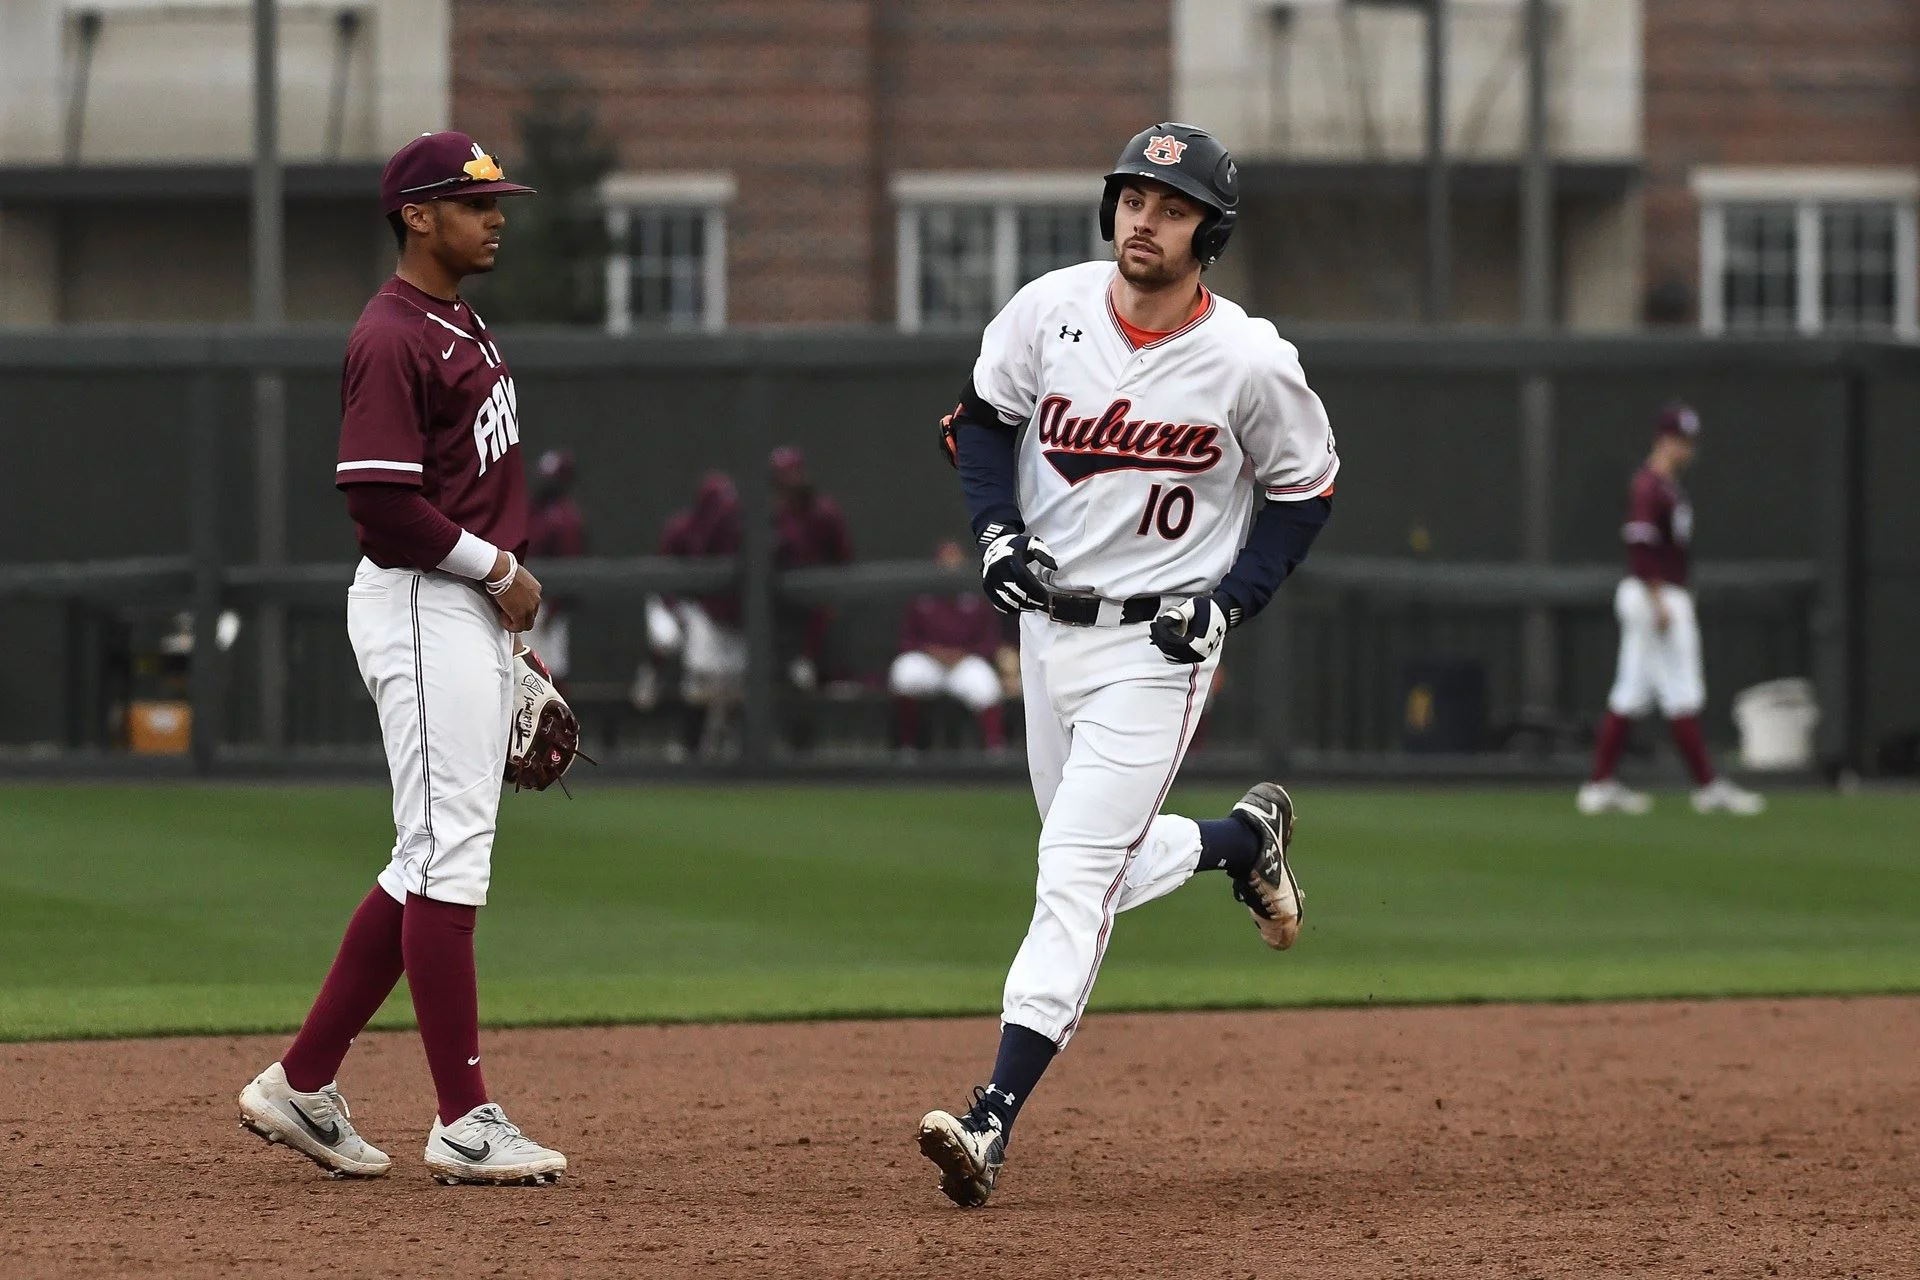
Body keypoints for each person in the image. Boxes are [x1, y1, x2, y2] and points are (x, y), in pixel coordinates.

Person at [917, 123, 1337, 1208]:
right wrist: (996, 533)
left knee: (1071, 876)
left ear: (1211, 232)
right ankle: (1243, 840)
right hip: (1046, 629)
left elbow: (1306, 491)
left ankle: (991, 1117)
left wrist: (1230, 604)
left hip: (1158, 648)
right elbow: (981, 422)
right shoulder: (1050, 309)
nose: (1144, 220)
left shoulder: (1249, 358)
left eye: (1172, 206)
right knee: (1096, 860)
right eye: (1134, 198)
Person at [236, 131, 567, 1186]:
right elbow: (380, 502)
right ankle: (464, 1119)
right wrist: (498, 568)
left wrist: (504, 614)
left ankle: (303, 1080)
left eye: (496, 202)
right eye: (472, 204)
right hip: (424, 600)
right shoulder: (390, 335)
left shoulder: (458, 318)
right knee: (447, 857)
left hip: (459, 606)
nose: (495, 218)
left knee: (423, 857)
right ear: (416, 216)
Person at [1578, 403, 1765, 816]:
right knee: (1682, 690)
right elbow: (1640, 543)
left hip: (1654, 593)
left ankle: (1600, 783)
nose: (1688, 449)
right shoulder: (1649, 486)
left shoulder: (1667, 486)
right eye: (1681, 440)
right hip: (1656, 594)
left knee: (1630, 691)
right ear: (1663, 440)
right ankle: (1708, 786)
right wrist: (1658, 598)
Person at [891, 539, 1013, 751]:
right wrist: (931, 651)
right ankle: (906, 746)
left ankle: (995, 749)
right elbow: (906, 639)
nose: (950, 564)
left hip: (963, 663)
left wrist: (963, 653)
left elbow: (989, 642)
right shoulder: (922, 597)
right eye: (945, 559)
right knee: (904, 673)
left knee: (986, 684)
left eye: (955, 559)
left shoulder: (977, 597)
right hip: (929, 662)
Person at [658, 472, 745, 757]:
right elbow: (663, 575)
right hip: (695, 609)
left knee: (734, 684)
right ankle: (690, 745)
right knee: (700, 681)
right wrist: (677, 610)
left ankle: (732, 747)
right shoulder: (684, 528)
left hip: (732, 618)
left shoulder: (742, 531)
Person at [771, 446, 852, 693]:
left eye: (793, 472)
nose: (789, 480)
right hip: (782, 599)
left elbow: (843, 556)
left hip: (818, 597)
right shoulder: (774, 514)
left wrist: (834, 597)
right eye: (783, 475)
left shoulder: (824, 511)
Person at [525, 448, 586, 681]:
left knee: (548, 671)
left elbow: (571, 570)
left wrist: (553, 611)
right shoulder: (533, 509)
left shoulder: (567, 517)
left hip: (547, 605)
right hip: (522, 596)